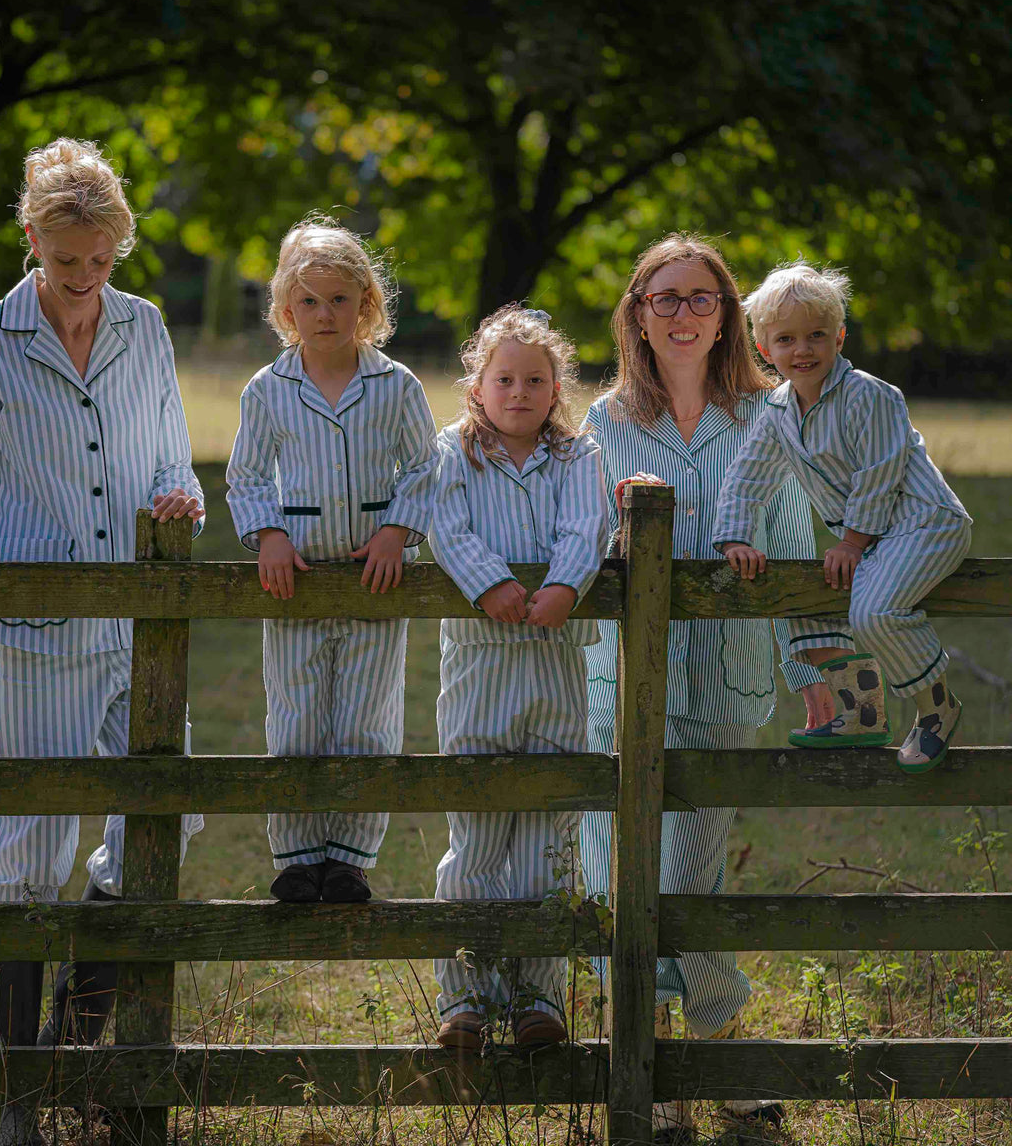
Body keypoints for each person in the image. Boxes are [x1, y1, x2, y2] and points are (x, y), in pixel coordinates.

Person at [0, 138, 204, 1146]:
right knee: (31, 856)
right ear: (33, 241)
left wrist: (185, 494)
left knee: (157, 831)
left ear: (119, 246)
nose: (84, 279)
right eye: (65, 260)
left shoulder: (144, 326)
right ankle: (13, 1100)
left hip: (139, 621)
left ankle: (76, 1044)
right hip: (33, 632)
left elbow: (175, 454)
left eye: (99, 260)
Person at [581, 233, 851, 1137]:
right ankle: (655, 1089)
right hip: (622, 688)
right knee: (627, 880)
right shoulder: (605, 424)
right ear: (638, 316)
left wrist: (812, 667)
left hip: (726, 681)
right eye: (668, 298)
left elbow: (794, 553)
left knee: (691, 884)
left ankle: (727, 1070)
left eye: (703, 297)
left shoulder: (767, 418)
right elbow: (575, 545)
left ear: (729, 315)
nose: (686, 313)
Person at [226, 215, 437, 906]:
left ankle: (348, 859)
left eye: (340, 299)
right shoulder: (267, 389)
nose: (325, 313)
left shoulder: (396, 385)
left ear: (366, 304)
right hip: (298, 584)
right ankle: (296, 857)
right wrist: (269, 536)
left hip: (377, 583)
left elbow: (426, 469)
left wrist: (398, 529)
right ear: (286, 311)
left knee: (367, 719)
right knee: (296, 718)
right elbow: (249, 477)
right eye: (309, 301)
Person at [429, 306, 608, 1051]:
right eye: (504, 378)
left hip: (554, 666)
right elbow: (443, 524)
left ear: (556, 386)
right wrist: (488, 583)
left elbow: (588, 528)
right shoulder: (452, 453)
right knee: (476, 834)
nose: (519, 392)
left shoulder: (577, 457)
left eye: (535, 380)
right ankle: (466, 998)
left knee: (545, 836)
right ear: (478, 385)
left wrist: (565, 586)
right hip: (480, 663)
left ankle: (537, 995)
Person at [714, 260, 972, 772]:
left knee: (874, 613)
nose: (802, 350)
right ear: (764, 348)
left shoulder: (870, 396)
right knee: (804, 593)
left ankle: (936, 707)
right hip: (873, 541)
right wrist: (735, 538)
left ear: (840, 337)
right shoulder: (779, 412)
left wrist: (852, 541)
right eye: (786, 339)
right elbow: (747, 477)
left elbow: (881, 473)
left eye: (816, 335)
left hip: (924, 523)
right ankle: (860, 710)